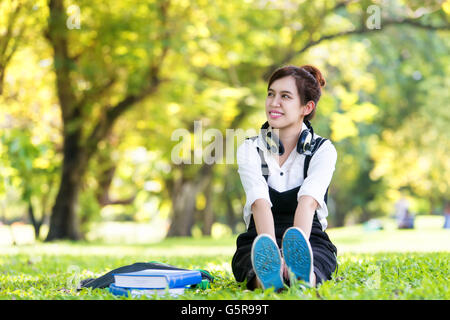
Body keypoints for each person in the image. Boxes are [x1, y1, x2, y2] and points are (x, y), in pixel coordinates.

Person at [231, 65, 338, 291]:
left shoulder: (322, 150)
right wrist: (271, 256)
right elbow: (259, 204)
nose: (273, 102)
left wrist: (294, 254)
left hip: (309, 240)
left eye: (285, 96)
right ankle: (267, 278)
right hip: (260, 240)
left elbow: (308, 204)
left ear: (306, 107)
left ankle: (302, 278)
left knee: (314, 265)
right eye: (270, 94)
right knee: (253, 265)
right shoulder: (250, 148)